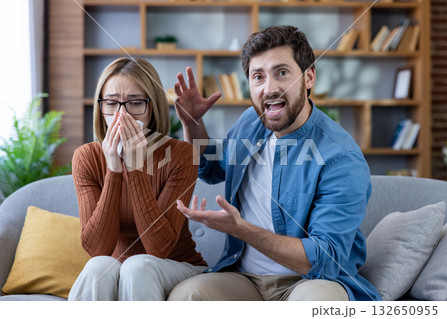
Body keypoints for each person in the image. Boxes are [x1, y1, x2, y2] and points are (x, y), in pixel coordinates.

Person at [168, 26, 382, 301]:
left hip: (308, 281)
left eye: (282, 73)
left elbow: (324, 260)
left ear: (308, 77)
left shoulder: (340, 157)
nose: (269, 88)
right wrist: (192, 123)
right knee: (188, 296)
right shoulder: (249, 122)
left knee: (317, 300)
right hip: (245, 279)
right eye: (258, 77)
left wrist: (241, 229)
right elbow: (211, 168)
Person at [68, 57, 207, 301]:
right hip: (117, 270)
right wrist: (114, 170)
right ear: (100, 107)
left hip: (174, 266)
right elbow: (96, 249)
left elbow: (159, 248)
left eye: (134, 103)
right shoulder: (86, 157)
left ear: (152, 108)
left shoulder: (181, 155)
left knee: (137, 265)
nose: (122, 115)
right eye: (111, 103)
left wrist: (134, 169)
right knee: (97, 267)